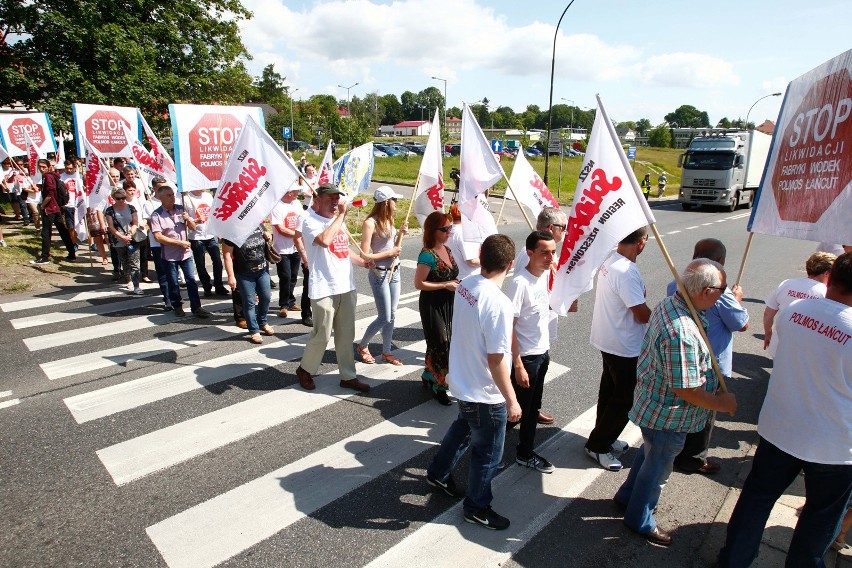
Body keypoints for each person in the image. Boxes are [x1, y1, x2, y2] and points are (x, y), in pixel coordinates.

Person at [719, 252, 851, 567]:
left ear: (829, 279)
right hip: (834, 446)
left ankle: (734, 560)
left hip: (780, 428)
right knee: (820, 516)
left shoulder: (794, 311)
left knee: (756, 498)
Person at [616, 259, 738, 547]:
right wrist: (722, 404)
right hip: (668, 414)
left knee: (649, 456)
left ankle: (627, 498)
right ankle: (639, 519)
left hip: (655, 406)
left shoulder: (671, 302)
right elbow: (687, 389)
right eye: (723, 289)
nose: (726, 293)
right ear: (706, 291)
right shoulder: (682, 331)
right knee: (657, 468)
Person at [425, 234, 521, 531]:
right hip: (484, 391)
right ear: (511, 264)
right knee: (487, 453)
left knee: (463, 427)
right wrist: (512, 400)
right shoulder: (499, 303)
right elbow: (496, 359)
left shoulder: (465, 284)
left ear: (481, 256)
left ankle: (438, 473)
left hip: (463, 380)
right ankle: (477, 506)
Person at [666, 239, 749, 475]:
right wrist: (737, 300)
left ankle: (679, 453)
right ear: (720, 261)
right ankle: (694, 459)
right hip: (711, 359)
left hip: (687, 356)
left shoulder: (678, 282)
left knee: (685, 406)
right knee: (704, 412)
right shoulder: (720, 291)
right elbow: (741, 324)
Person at [294, 183, 373, 393]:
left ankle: (348, 376)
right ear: (317, 200)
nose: (335, 203)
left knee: (346, 335)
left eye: (337, 198)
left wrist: (362, 262)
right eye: (330, 199)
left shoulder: (337, 221)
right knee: (322, 334)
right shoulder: (309, 221)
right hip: (323, 287)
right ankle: (305, 369)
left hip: (345, 285)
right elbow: (324, 241)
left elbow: (343, 249)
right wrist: (341, 216)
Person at [585, 227, 651, 471]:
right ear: (641, 243)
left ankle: (604, 437)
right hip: (624, 345)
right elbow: (641, 313)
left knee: (610, 392)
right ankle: (599, 445)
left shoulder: (612, 260)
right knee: (625, 399)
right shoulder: (626, 271)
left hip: (610, 339)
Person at [506, 230, 557, 474]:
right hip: (526, 359)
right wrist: (518, 365)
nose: (550, 257)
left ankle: (524, 451)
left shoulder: (545, 276)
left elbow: (538, 311)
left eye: (553, 252)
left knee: (531, 409)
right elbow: (510, 327)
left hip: (542, 354)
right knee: (514, 412)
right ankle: (475, 441)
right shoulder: (519, 283)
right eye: (544, 252)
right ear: (529, 253)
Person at [356, 186, 407, 366]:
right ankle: (363, 345)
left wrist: (399, 234)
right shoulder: (371, 222)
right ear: (386, 202)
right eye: (394, 200)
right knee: (384, 316)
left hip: (395, 270)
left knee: (392, 315)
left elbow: (394, 248)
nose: (396, 203)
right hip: (379, 273)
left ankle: (386, 352)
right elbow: (364, 253)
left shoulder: (390, 219)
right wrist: (390, 252)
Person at [414, 210, 460, 405]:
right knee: (441, 343)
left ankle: (428, 374)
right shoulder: (427, 255)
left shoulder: (447, 250)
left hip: (448, 302)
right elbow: (419, 283)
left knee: (443, 342)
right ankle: (439, 386)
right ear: (433, 231)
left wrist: (456, 281)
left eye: (450, 228)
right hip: (432, 304)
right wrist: (444, 285)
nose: (449, 231)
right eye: (445, 229)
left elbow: (450, 274)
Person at [149, 184, 211, 318]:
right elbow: (158, 236)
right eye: (168, 195)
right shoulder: (156, 215)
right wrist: (179, 243)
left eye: (172, 194)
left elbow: (193, 228)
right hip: (170, 255)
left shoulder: (180, 209)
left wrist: (188, 219)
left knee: (191, 280)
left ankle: (197, 307)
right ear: (161, 198)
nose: (172, 198)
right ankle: (177, 305)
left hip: (185, 253)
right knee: (173, 281)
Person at [763, 251, 836, 356]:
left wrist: (768, 333)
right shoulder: (826, 293)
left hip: (779, 344)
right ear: (827, 273)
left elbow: (768, 314)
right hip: (806, 352)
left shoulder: (787, 284)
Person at [222, 225, 274, 344]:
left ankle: (263, 322)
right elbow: (227, 256)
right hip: (244, 274)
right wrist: (231, 276)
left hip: (262, 270)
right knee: (249, 302)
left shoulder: (258, 225)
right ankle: (254, 330)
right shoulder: (231, 231)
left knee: (266, 297)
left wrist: (268, 237)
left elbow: (268, 240)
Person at [184, 188, 229, 297]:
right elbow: (184, 220)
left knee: (218, 261)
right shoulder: (186, 198)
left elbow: (214, 213)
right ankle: (206, 286)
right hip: (196, 236)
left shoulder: (208, 196)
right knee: (200, 264)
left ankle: (219, 285)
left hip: (210, 234)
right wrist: (195, 221)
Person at [32, 158, 75, 264]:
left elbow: (51, 192)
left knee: (46, 232)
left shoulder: (48, 176)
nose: (41, 169)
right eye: (40, 167)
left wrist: (43, 206)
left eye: (44, 167)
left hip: (50, 208)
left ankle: (44, 257)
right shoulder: (51, 176)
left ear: (48, 167)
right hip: (56, 207)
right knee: (62, 230)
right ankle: (72, 253)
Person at [269, 186, 304, 318]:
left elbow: (302, 220)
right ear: (289, 192)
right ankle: (283, 305)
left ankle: (290, 301)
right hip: (282, 249)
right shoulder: (276, 206)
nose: (298, 193)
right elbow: (280, 229)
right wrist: (298, 235)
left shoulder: (296, 203)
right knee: (285, 277)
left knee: (293, 277)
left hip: (296, 247)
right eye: (296, 191)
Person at [104, 186, 142, 294]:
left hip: (132, 239)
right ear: (114, 198)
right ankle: (128, 279)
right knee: (125, 261)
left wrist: (130, 233)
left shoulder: (131, 208)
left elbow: (135, 223)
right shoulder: (110, 210)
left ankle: (137, 286)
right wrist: (122, 237)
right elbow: (111, 227)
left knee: (134, 262)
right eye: (118, 198)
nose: (121, 200)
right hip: (118, 240)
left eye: (123, 198)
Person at [142, 177, 170, 308]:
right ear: (154, 188)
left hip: (174, 243)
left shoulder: (172, 201)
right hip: (158, 244)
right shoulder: (149, 204)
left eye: (165, 186)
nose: (164, 189)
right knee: (163, 272)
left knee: (173, 272)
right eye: (160, 187)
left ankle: (176, 297)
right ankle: (167, 299)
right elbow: (151, 225)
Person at [445, 203, 481, 280]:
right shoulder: (464, 234)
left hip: (454, 276)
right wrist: (491, 263)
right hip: (468, 278)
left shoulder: (449, 230)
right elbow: (472, 260)